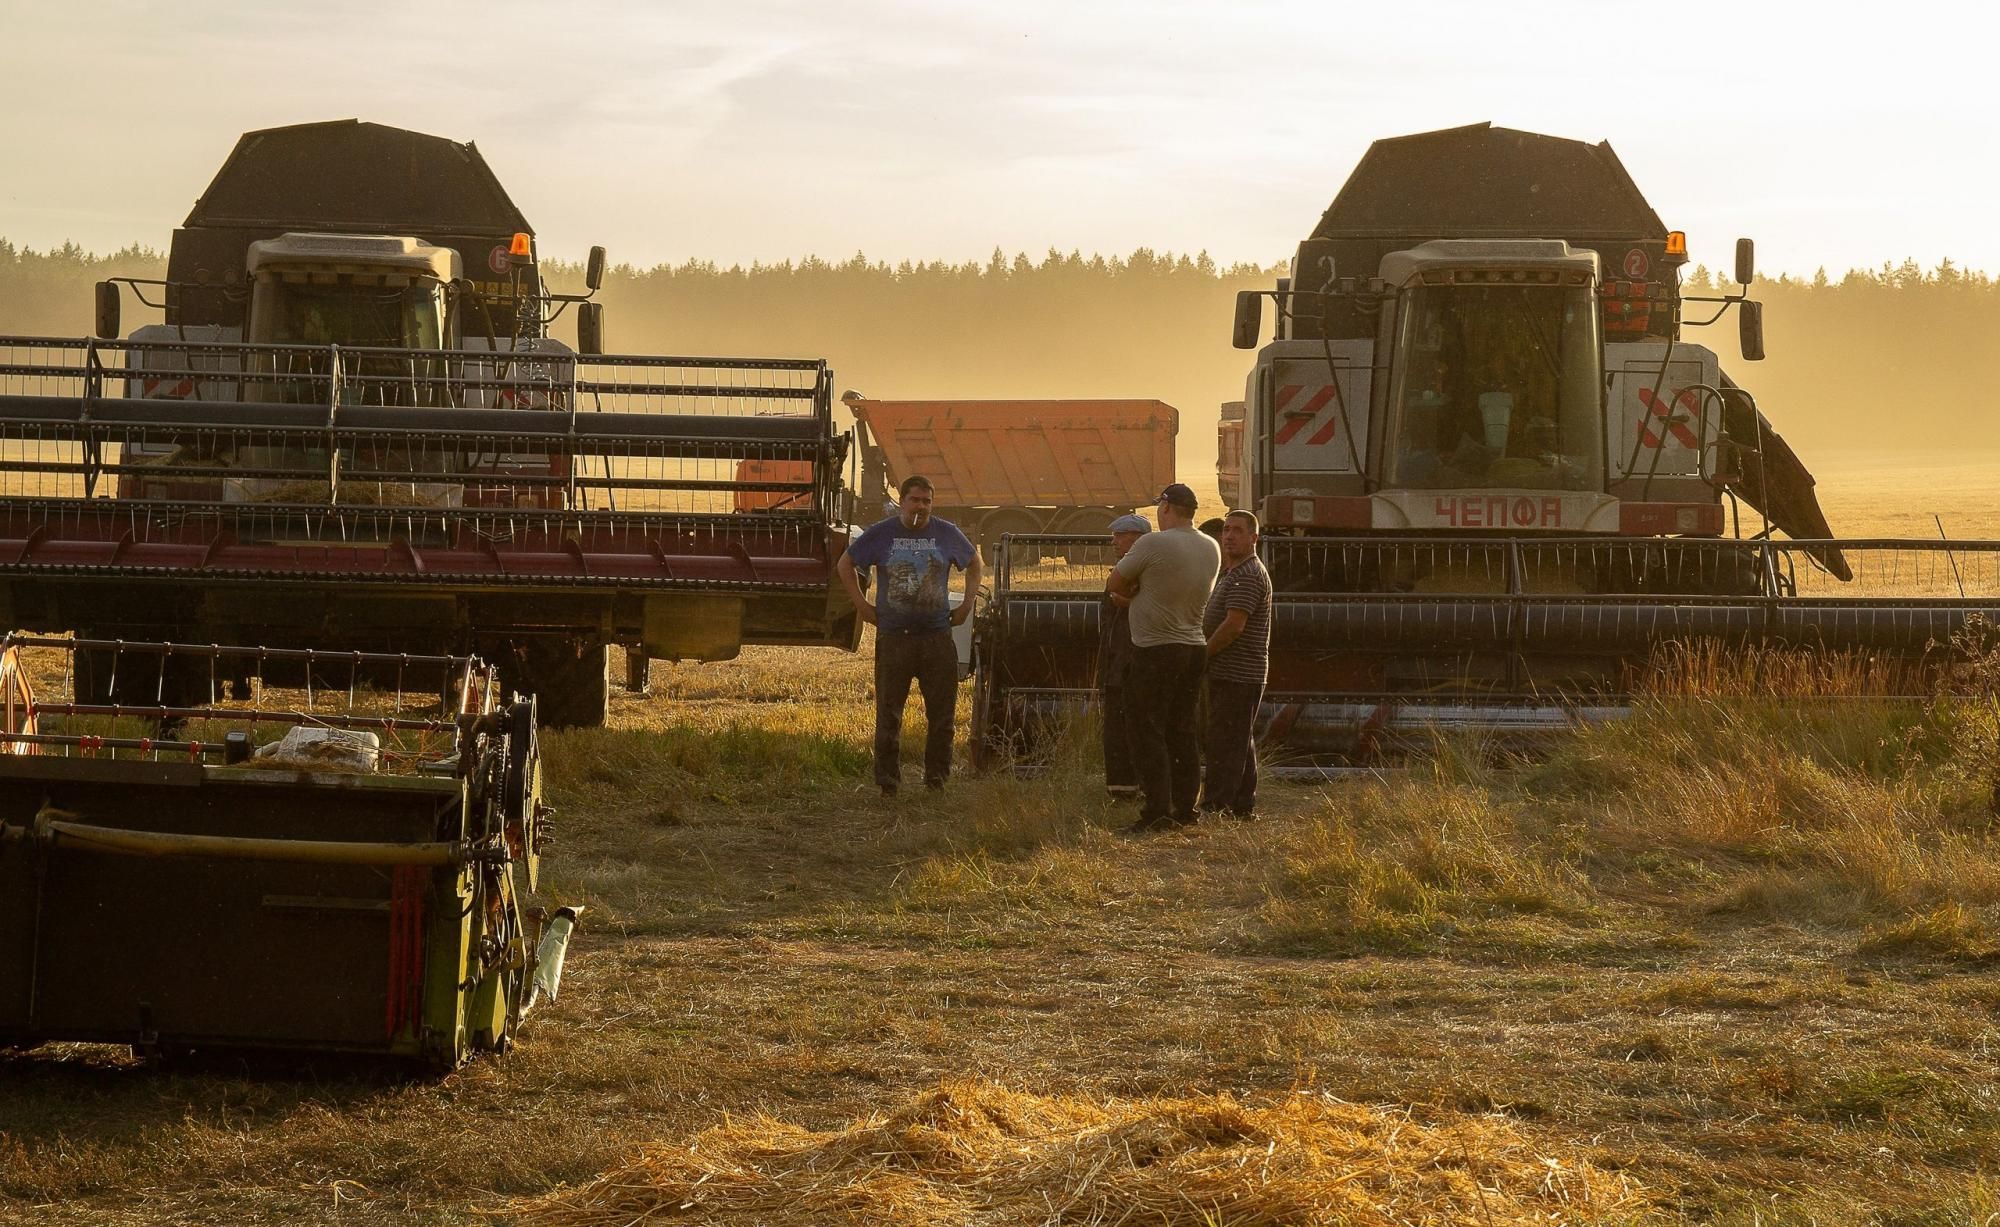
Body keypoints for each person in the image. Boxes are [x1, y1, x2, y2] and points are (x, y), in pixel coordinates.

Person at [836, 475, 980, 797]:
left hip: (937, 638)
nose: (921, 507)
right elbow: (845, 564)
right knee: (889, 715)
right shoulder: (882, 534)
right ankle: (888, 785)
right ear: (902, 502)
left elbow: (974, 564)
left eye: (927, 501)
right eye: (915, 500)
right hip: (894, 639)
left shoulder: (946, 533)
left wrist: (967, 604)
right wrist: (862, 605)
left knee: (942, 718)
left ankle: (936, 783)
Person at [1107, 483, 1219, 832]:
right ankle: (1186, 808)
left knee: (1146, 730)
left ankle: (1156, 810)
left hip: (1155, 649)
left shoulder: (1153, 543)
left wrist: (1132, 596)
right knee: (1182, 729)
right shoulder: (1211, 546)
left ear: (1167, 507)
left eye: (1160, 506)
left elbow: (1115, 582)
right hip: (1194, 646)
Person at [1200, 510, 1273, 819]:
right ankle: (1242, 806)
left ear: (1253, 538)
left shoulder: (1248, 575)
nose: (1228, 536)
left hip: (1239, 672)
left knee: (1225, 741)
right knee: (1239, 740)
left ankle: (1218, 805)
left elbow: (1234, 626)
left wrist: (1201, 657)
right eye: (1226, 530)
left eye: (1237, 531)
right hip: (1233, 672)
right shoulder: (1233, 572)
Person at [1100, 513, 1151, 799]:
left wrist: (1128, 604)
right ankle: (1122, 786)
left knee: (1130, 725)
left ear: (1138, 538)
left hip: (1132, 659)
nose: (1114, 541)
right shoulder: (1125, 569)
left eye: (1120, 535)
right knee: (1119, 726)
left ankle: (1134, 786)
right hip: (1117, 658)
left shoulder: (1142, 571)